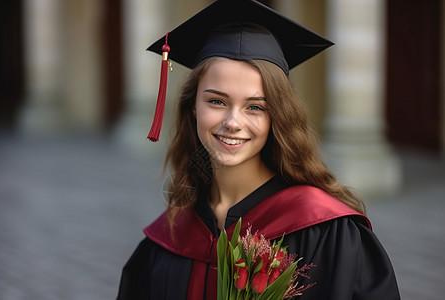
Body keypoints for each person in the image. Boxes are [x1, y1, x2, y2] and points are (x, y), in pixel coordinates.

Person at [117, 0, 401, 299]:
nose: (232, 122)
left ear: (276, 116)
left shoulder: (324, 231)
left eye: (255, 107)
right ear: (192, 108)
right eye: (216, 101)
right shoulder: (167, 239)